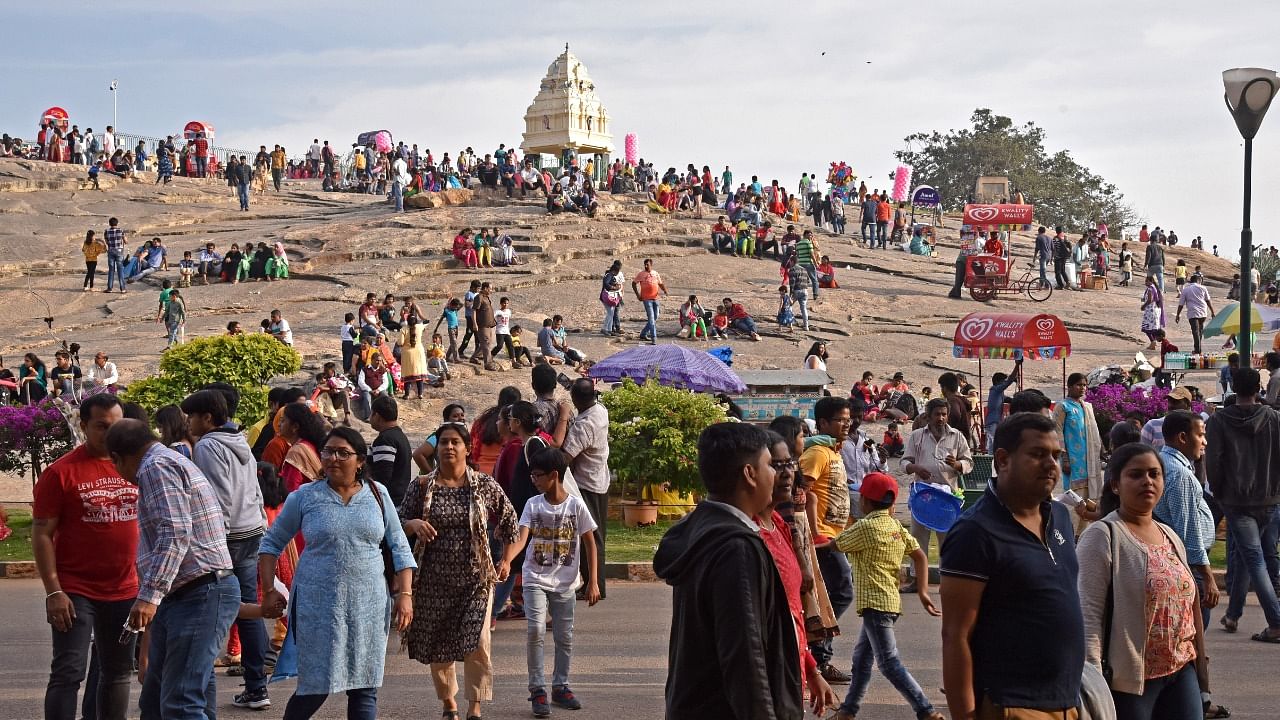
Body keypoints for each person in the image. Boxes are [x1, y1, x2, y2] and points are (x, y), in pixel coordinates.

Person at [259, 426, 416, 720]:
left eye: (343, 453)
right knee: (314, 687)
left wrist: (405, 594)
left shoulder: (377, 494)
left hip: (368, 606)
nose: (333, 458)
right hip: (318, 608)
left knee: (364, 687)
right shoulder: (305, 497)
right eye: (328, 451)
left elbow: (399, 547)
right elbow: (270, 544)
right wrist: (269, 590)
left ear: (360, 461)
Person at [653, 422, 807, 719]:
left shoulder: (702, 527)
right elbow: (745, 656)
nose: (776, 475)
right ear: (750, 475)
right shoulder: (736, 547)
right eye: (769, 466)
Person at [940, 413, 1083, 720]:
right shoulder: (975, 532)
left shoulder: (1059, 516)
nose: (1051, 464)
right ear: (1003, 460)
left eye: (1056, 456)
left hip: (1068, 701)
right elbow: (956, 636)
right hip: (1012, 705)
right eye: (1037, 454)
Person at [104, 419, 239, 720]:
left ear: (116, 458)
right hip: (186, 594)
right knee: (157, 702)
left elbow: (175, 533)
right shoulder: (170, 459)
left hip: (199, 592)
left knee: (180, 703)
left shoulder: (155, 467)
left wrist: (149, 596)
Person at [1078, 443, 1207, 720]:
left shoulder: (1169, 535)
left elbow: (1190, 610)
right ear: (1115, 484)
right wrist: (1093, 685)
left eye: (1154, 474)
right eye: (1135, 475)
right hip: (1130, 682)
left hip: (1181, 670)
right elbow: (1088, 618)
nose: (1147, 481)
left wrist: (1203, 677)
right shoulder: (1103, 536)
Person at [399, 422, 518, 720]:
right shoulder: (423, 486)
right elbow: (397, 523)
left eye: (455, 442)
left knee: (478, 642)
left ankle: (474, 706)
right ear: (436, 449)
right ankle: (448, 703)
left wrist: (505, 560)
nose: (449, 447)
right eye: (443, 443)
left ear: (467, 448)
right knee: (440, 645)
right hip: (432, 582)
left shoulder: (483, 485)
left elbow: (510, 521)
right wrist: (412, 525)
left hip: (476, 580)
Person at [33, 395, 136, 720]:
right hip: (76, 590)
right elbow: (41, 534)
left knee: (118, 672)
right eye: (101, 426)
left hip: (126, 589)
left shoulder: (135, 466)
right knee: (68, 672)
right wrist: (54, 591)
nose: (109, 433)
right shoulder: (60, 473)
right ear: (83, 426)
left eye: (115, 425)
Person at [181, 388, 274, 710]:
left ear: (207, 418)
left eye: (191, 416)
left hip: (228, 536)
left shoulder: (207, 446)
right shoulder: (239, 440)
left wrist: (212, 539)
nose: (188, 422)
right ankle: (257, 687)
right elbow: (252, 488)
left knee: (212, 609)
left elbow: (215, 496)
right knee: (247, 608)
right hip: (250, 529)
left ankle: (198, 689)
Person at [831, 472, 944, 720]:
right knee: (862, 660)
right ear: (893, 503)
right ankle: (848, 711)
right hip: (889, 603)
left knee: (888, 663)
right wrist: (923, 591)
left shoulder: (865, 526)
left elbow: (836, 545)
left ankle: (926, 711)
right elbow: (920, 556)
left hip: (874, 605)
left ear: (864, 501)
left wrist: (808, 544)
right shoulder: (895, 527)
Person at [500, 447, 600, 717]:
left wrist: (593, 582)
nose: (533, 479)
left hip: (566, 582)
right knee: (535, 630)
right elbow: (521, 538)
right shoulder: (533, 505)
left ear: (554, 475)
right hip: (535, 577)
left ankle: (561, 687)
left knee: (564, 637)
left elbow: (590, 542)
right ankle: (537, 689)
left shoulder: (575, 506)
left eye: (537, 475)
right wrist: (508, 559)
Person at [1205, 368, 1280, 640]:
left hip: (1237, 501)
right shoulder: (1273, 418)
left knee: (1253, 558)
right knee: (1246, 557)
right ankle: (1233, 613)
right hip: (1268, 499)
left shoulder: (1219, 420)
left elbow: (1212, 462)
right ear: (1259, 388)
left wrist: (1219, 493)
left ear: (1233, 388)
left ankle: (1275, 621)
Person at [1153, 411, 1221, 638]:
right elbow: (1188, 533)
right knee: (1193, 631)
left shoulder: (1166, 463)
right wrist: (1208, 577)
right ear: (1182, 437)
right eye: (1201, 435)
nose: (1205, 442)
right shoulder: (1180, 474)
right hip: (1188, 563)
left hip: (1178, 559)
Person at [800, 396, 854, 683]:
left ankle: (817, 651)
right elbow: (803, 492)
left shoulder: (834, 452)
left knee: (833, 594)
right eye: (840, 420)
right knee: (842, 591)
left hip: (833, 536)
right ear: (822, 423)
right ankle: (818, 653)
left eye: (848, 420)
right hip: (820, 539)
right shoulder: (818, 453)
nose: (847, 424)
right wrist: (813, 532)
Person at [900, 398, 973, 591]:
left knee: (947, 540)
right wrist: (914, 467)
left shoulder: (956, 436)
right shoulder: (917, 436)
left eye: (944, 414)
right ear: (928, 416)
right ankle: (916, 580)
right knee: (917, 538)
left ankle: (947, 581)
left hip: (947, 498)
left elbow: (968, 462)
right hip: (922, 496)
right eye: (937, 414)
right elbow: (903, 462)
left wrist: (957, 465)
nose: (940, 418)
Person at [561, 379, 610, 601]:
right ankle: (594, 581)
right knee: (594, 535)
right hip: (599, 479)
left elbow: (566, 456)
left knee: (590, 536)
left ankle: (595, 584)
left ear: (576, 399)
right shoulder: (600, 410)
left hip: (586, 483)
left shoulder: (584, 426)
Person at [1053, 373, 1104, 529]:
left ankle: (1086, 532)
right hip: (1074, 461)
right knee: (1075, 499)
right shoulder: (1063, 407)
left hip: (1090, 460)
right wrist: (1065, 457)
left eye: (1084, 385)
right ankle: (1073, 532)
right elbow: (1057, 432)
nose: (1083, 388)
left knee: (1090, 497)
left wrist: (1101, 448)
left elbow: (1094, 431)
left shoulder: (1087, 407)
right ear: (1069, 387)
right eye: (1079, 385)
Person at [369, 395, 413, 506]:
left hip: (390, 502)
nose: (370, 418)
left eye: (371, 414)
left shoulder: (385, 440)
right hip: (401, 498)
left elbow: (382, 477)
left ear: (377, 416)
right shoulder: (400, 436)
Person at [984, 361, 1022, 452]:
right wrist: (1017, 366)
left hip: (996, 422)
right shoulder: (995, 390)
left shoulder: (998, 393)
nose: (1004, 383)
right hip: (992, 422)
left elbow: (1009, 399)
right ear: (998, 382)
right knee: (993, 446)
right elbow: (1008, 381)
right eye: (1002, 381)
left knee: (996, 445)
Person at [1175, 274, 1215, 355]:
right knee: (1199, 330)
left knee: (1195, 331)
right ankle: (1197, 348)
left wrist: (1178, 314)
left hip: (1193, 312)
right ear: (1198, 281)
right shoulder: (1203, 288)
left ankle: (1197, 350)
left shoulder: (1185, 290)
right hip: (1203, 312)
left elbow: (1181, 304)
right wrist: (1212, 312)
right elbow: (1208, 301)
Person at [632, 258, 668, 345]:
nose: (646, 266)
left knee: (656, 316)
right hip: (646, 299)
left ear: (651, 265)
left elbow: (660, 283)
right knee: (651, 318)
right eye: (645, 264)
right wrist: (638, 295)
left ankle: (643, 333)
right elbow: (633, 283)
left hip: (655, 298)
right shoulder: (641, 274)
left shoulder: (655, 273)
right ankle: (653, 337)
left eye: (647, 264)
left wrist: (665, 290)